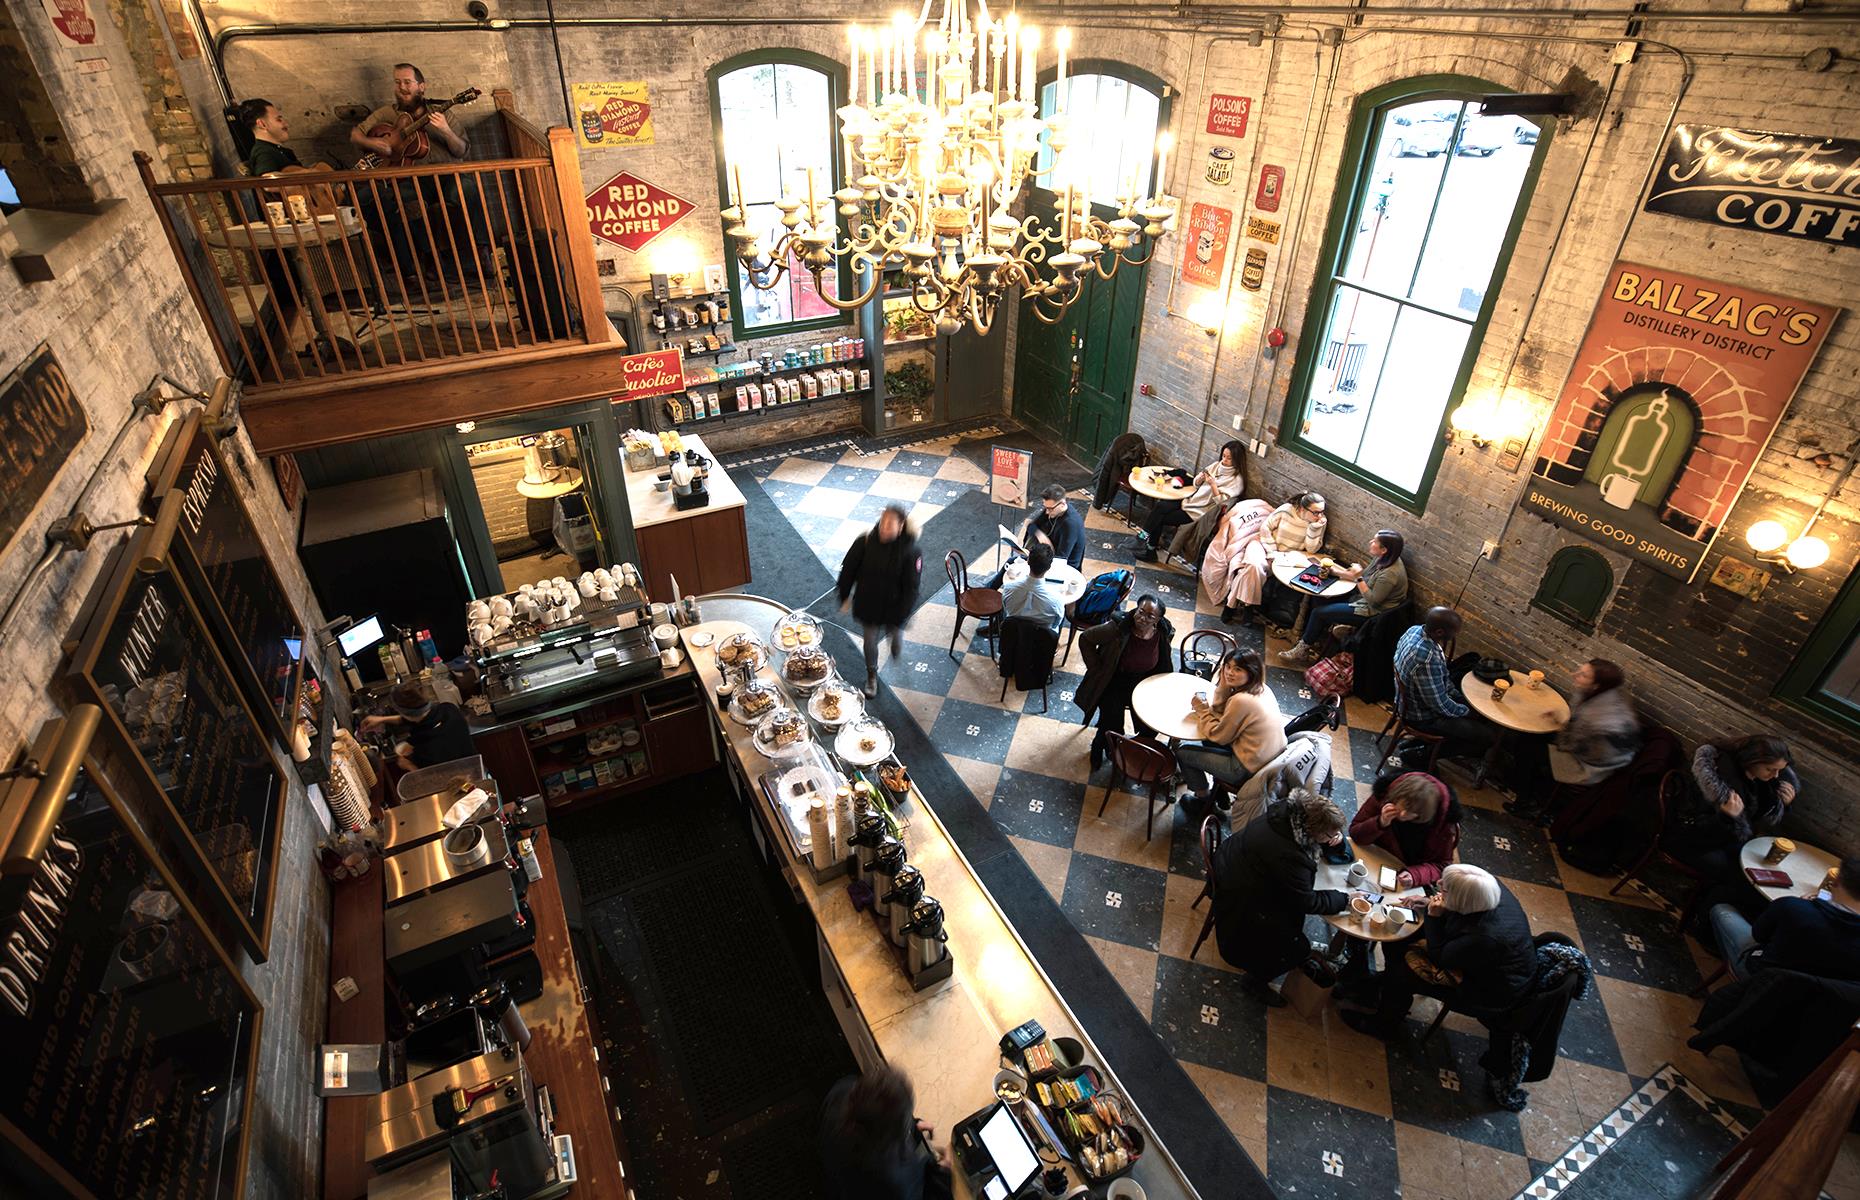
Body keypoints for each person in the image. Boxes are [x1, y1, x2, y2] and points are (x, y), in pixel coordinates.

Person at [1344, 864, 1537, 1038]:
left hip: (1486, 991)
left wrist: (1434, 916)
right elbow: (1461, 910)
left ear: (1460, 902)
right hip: (1477, 956)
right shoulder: (1486, 888)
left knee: (1403, 973)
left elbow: (1441, 958)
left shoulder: (1485, 937)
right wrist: (1429, 901)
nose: (1438, 883)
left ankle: (1384, 1024)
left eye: (1444, 888)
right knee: (1399, 938)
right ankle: (1384, 983)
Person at [350, 62, 489, 294]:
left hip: (447, 174)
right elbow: (355, 135)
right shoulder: (386, 114)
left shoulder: (443, 112)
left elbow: (463, 150)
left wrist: (445, 130)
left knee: (468, 190)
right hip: (411, 178)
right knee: (405, 202)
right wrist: (375, 143)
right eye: (397, 82)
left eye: (407, 82)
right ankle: (432, 260)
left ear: (421, 87)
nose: (401, 88)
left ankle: (483, 254)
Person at [1212, 789, 1352, 1006]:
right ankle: (1254, 982)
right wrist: (1344, 900)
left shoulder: (1286, 814)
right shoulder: (1290, 855)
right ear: (1313, 830)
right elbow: (1307, 901)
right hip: (1242, 897)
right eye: (1328, 835)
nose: (1330, 839)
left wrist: (1337, 842)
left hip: (1233, 864)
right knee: (1298, 948)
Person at [1507, 660, 1640, 818]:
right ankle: (1522, 781)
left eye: (1583, 675)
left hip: (1592, 767)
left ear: (1596, 685)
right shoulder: (1611, 691)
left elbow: (1568, 744)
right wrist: (1561, 724)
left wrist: (1558, 724)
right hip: (1599, 748)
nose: (1574, 675)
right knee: (1534, 738)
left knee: (1527, 747)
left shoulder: (1595, 717)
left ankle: (1525, 802)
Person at [1667, 735, 1799, 890]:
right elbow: (1694, 832)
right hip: (1692, 842)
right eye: (1770, 769)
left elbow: (1757, 820)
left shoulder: (1760, 781)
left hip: (1728, 839)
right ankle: (1708, 906)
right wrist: (1726, 816)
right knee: (1739, 874)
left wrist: (1782, 804)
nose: (1775, 775)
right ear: (1751, 760)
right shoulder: (1720, 780)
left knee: (1762, 867)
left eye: (1779, 771)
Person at [1709, 855, 1860, 984]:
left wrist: (1806, 906)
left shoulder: (1792, 907)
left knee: (1722, 910)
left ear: (1836, 880)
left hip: (1758, 978)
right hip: (1810, 1002)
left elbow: (1759, 935)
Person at [818, 1065, 952, 1200]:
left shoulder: (841, 1093)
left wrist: (911, 1125)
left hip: (836, 1177)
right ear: (893, 1137)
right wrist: (943, 1175)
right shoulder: (897, 1180)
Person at [1390, 607, 1500, 770]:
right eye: (1454, 632)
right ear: (1440, 632)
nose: (1455, 635)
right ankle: (1422, 755)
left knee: (1469, 706)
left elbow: (1442, 678)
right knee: (1488, 737)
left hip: (1408, 701)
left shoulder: (1414, 631)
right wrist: (1468, 713)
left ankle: (1419, 743)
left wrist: (1459, 699)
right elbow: (1438, 704)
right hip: (1421, 717)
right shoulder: (1426, 658)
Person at [1279, 529, 1408, 665]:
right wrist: (1335, 572)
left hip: (1372, 613)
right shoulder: (1383, 558)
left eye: (1375, 541)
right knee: (1319, 596)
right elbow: (1363, 577)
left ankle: (1302, 650)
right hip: (1361, 597)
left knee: (1318, 613)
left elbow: (1373, 601)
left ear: (1384, 550)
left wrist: (1357, 577)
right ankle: (1312, 637)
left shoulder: (1390, 574)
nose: (1371, 542)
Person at [1177, 649, 1286, 810]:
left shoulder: (1241, 700)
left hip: (1246, 768)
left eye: (1238, 669)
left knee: (1183, 752)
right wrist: (1224, 684)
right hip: (1268, 761)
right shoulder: (1262, 688)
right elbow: (1219, 712)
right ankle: (1219, 793)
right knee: (1206, 741)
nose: (1230, 672)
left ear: (1251, 672)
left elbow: (1218, 736)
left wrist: (1201, 710)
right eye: (1227, 667)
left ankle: (1203, 800)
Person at [1075, 595, 1175, 771]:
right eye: (1140, 612)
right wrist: (1096, 668)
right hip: (1115, 680)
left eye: (1150, 616)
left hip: (1145, 682)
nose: (1142, 618)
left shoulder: (1163, 632)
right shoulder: (1117, 628)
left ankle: (1127, 748)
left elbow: (1163, 659)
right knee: (1111, 723)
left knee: (1151, 725)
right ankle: (1099, 747)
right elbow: (1086, 638)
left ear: (1158, 620)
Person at [838, 504, 923, 698]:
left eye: (890, 525)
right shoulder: (865, 542)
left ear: (900, 527)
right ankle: (871, 676)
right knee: (869, 641)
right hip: (869, 604)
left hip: (895, 608)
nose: (884, 528)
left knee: (895, 635)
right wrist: (844, 595)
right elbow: (848, 570)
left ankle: (895, 641)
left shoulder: (911, 551)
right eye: (883, 522)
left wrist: (903, 614)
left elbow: (912, 588)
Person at [1347, 769, 1463, 888]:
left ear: (1423, 814)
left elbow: (1442, 865)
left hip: (1406, 870)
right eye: (1400, 806)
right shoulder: (1384, 795)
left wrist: (1415, 875)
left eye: (1410, 812)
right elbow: (1355, 834)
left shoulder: (1442, 825)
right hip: (1372, 856)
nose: (1402, 814)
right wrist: (1379, 822)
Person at [1133, 441, 1245, 563]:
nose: (1224, 460)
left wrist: (1213, 485)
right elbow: (1195, 485)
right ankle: (1143, 537)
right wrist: (1200, 478)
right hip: (1191, 500)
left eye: (1229, 458)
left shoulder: (1237, 481)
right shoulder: (1216, 465)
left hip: (1199, 512)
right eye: (1223, 455)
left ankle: (1149, 549)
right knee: (1160, 506)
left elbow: (1220, 504)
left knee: (1159, 518)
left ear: (1237, 460)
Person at [984, 485, 1085, 589]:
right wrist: (1040, 536)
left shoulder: (1071, 524)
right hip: (1047, 554)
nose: (1046, 512)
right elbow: (1032, 526)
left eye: (1050, 509)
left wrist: (1034, 556)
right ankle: (988, 590)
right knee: (1013, 562)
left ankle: (992, 591)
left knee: (1015, 566)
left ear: (1063, 504)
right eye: (1045, 508)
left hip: (1064, 567)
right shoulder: (1052, 509)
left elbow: (1061, 559)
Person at [361, 683, 476, 770]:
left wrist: (408, 765)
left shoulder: (422, 747)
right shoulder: (449, 708)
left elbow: (431, 776)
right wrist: (382, 719)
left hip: (462, 786)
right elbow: (419, 718)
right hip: (477, 768)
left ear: (404, 713)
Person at [1197, 497, 1274, 624]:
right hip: (1253, 543)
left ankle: (1230, 606)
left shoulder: (1309, 526)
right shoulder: (1281, 514)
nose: (1319, 516)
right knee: (1247, 566)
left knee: (1248, 569)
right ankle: (1248, 607)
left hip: (1268, 549)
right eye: (1315, 512)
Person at [999, 539, 1066, 632]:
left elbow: (1006, 610)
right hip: (1041, 642)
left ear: (1028, 561)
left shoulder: (1009, 588)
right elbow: (1055, 624)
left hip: (1013, 638)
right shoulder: (1056, 600)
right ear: (1049, 567)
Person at [235, 98, 299, 176]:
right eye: (278, 120)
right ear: (262, 124)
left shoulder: (274, 149)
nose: (286, 124)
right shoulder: (263, 153)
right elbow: (268, 182)